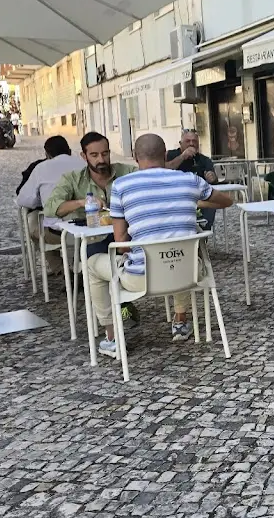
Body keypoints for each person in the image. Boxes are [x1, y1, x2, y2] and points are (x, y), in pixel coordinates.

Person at [88, 133, 233, 358]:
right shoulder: (188, 180)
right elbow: (226, 201)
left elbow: (121, 243)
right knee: (179, 254)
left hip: (141, 279)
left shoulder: (121, 185)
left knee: (91, 265)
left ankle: (113, 338)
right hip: (188, 274)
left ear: (135, 157)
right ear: (165, 155)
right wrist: (193, 199)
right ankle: (181, 322)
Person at [44, 132, 138, 324]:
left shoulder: (126, 171)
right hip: (95, 239)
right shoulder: (73, 179)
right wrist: (81, 202)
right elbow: (51, 207)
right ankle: (116, 315)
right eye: (94, 155)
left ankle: (121, 306)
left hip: (128, 235)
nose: (101, 160)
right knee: (93, 255)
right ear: (83, 156)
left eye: (105, 154)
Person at [16, 136, 85, 275]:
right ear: (69, 151)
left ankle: (59, 268)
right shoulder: (84, 164)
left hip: (56, 233)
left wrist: (41, 200)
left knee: (34, 227)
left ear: (47, 154)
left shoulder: (41, 168)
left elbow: (23, 199)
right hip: (85, 230)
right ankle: (81, 266)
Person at [166, 129, 220, 231]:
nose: (191, 144)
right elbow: (163, 170)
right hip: (174, 198)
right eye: (188, 141)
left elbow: (213, 180)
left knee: (211, 204)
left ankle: (203, 235)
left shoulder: (204, 160)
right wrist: (182, 157)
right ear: (180, 143)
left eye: (194, 141)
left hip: (197, 199)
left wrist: (212, 178)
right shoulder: (170, 155)